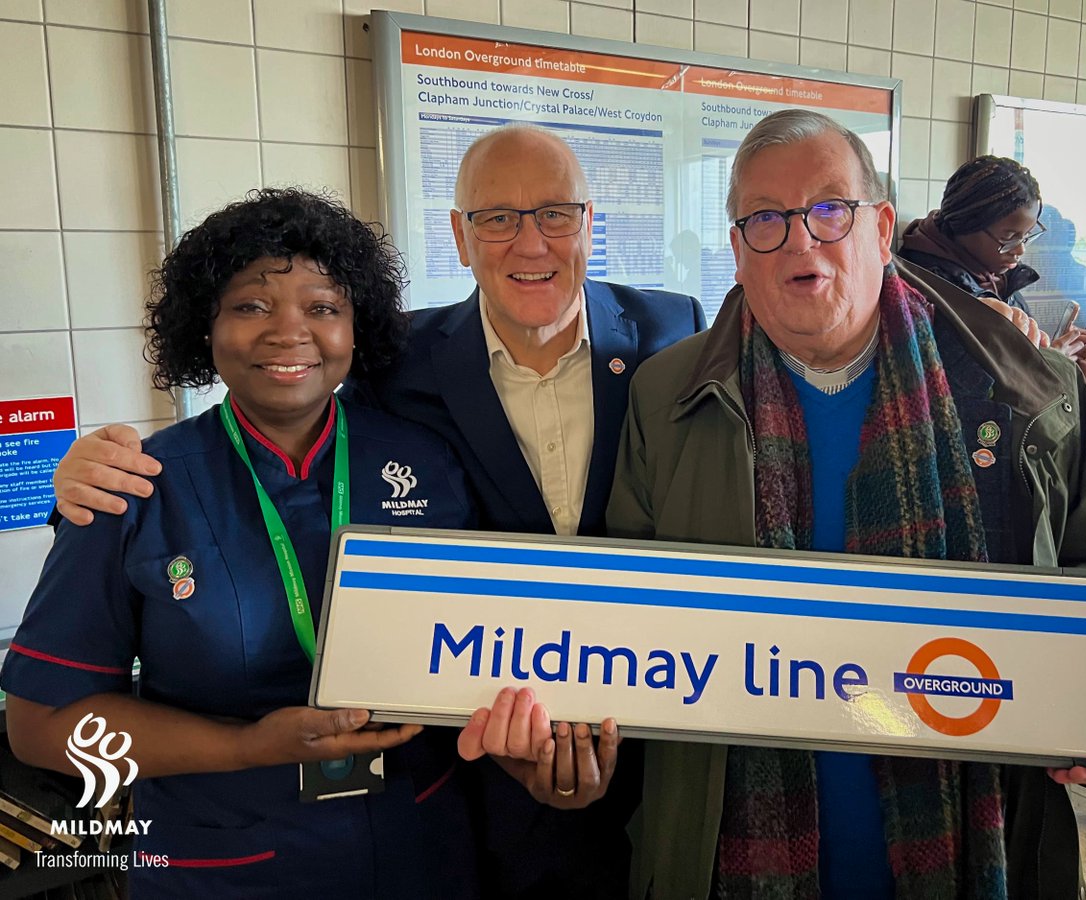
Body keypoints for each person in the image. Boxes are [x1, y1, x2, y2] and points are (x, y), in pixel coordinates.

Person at [47, 126, 701, 897]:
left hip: (562, 775)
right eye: (497, 217)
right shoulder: (400, 365)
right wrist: (83, 482)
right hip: (287, 847)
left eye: (555, 212)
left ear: (591, 222)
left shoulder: (678, 333)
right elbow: (45, 722)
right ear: (460, 236)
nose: (291, 332)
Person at [605, 109, 1086, 897]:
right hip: (729, 838)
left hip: (977, 829)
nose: (801, 241)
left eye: (828, 210)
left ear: (879, 227)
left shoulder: (1025, 389)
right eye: (766, 219)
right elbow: (628, 607)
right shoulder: (666, 398)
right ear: (738, 251)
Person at [0, 189, 482, 897]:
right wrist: (245, 747)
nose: (288, 332)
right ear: (206, 327)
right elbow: (42, 729)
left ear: (358, 327)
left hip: (422, 849)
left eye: (322, 307)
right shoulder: (132, 488)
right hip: (228, 866)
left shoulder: (426, 462)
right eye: (251, 306)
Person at [898, 155, 1086, 385]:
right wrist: (1051, 371)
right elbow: (961, 402)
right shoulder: (922, 292)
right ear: (965, 224)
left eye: (1027, 236)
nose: (1020, 250)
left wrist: (1076, 376)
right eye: (1008, 238)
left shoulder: (997, 279)